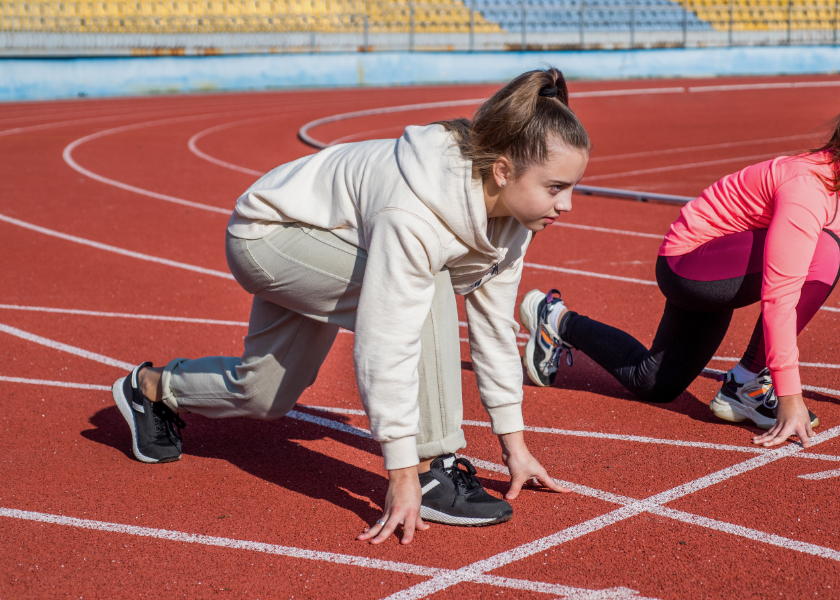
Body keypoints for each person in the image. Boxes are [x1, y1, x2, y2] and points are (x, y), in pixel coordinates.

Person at [111, 67, 591, 545]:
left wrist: (515, 446)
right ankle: (433, 471)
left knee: (263, 395)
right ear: (503, 170)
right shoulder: (417, 211)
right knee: (428, 290)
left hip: (339, 241)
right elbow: (388, 337)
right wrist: (403, 468)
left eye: (571, 187)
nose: (567, 204)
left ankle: (151, 388)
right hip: (270, 235)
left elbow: (493, 327)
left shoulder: (514, 219)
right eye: (555, 187)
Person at [520, 116, 840, 450]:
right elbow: (781, 294)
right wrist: (790, 394)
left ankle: (555, 319)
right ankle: (749, 383)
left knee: (654, 384)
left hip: (721, 266)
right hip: (690, 264)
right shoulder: (808, 186)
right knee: (825, 252)